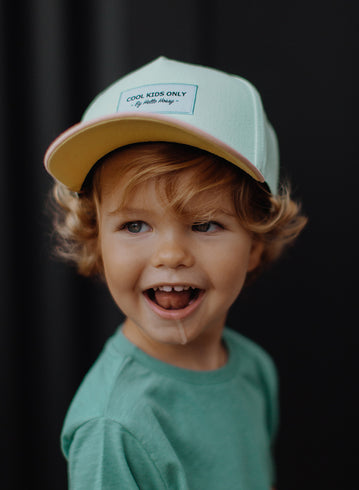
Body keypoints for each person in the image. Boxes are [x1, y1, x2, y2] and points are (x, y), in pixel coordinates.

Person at [44, 56, 307, 489]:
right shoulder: (114, 427)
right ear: (97, 242)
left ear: (256, 245)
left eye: (205, 224)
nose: (170, 255)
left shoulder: (253, 369)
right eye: (134, 225)